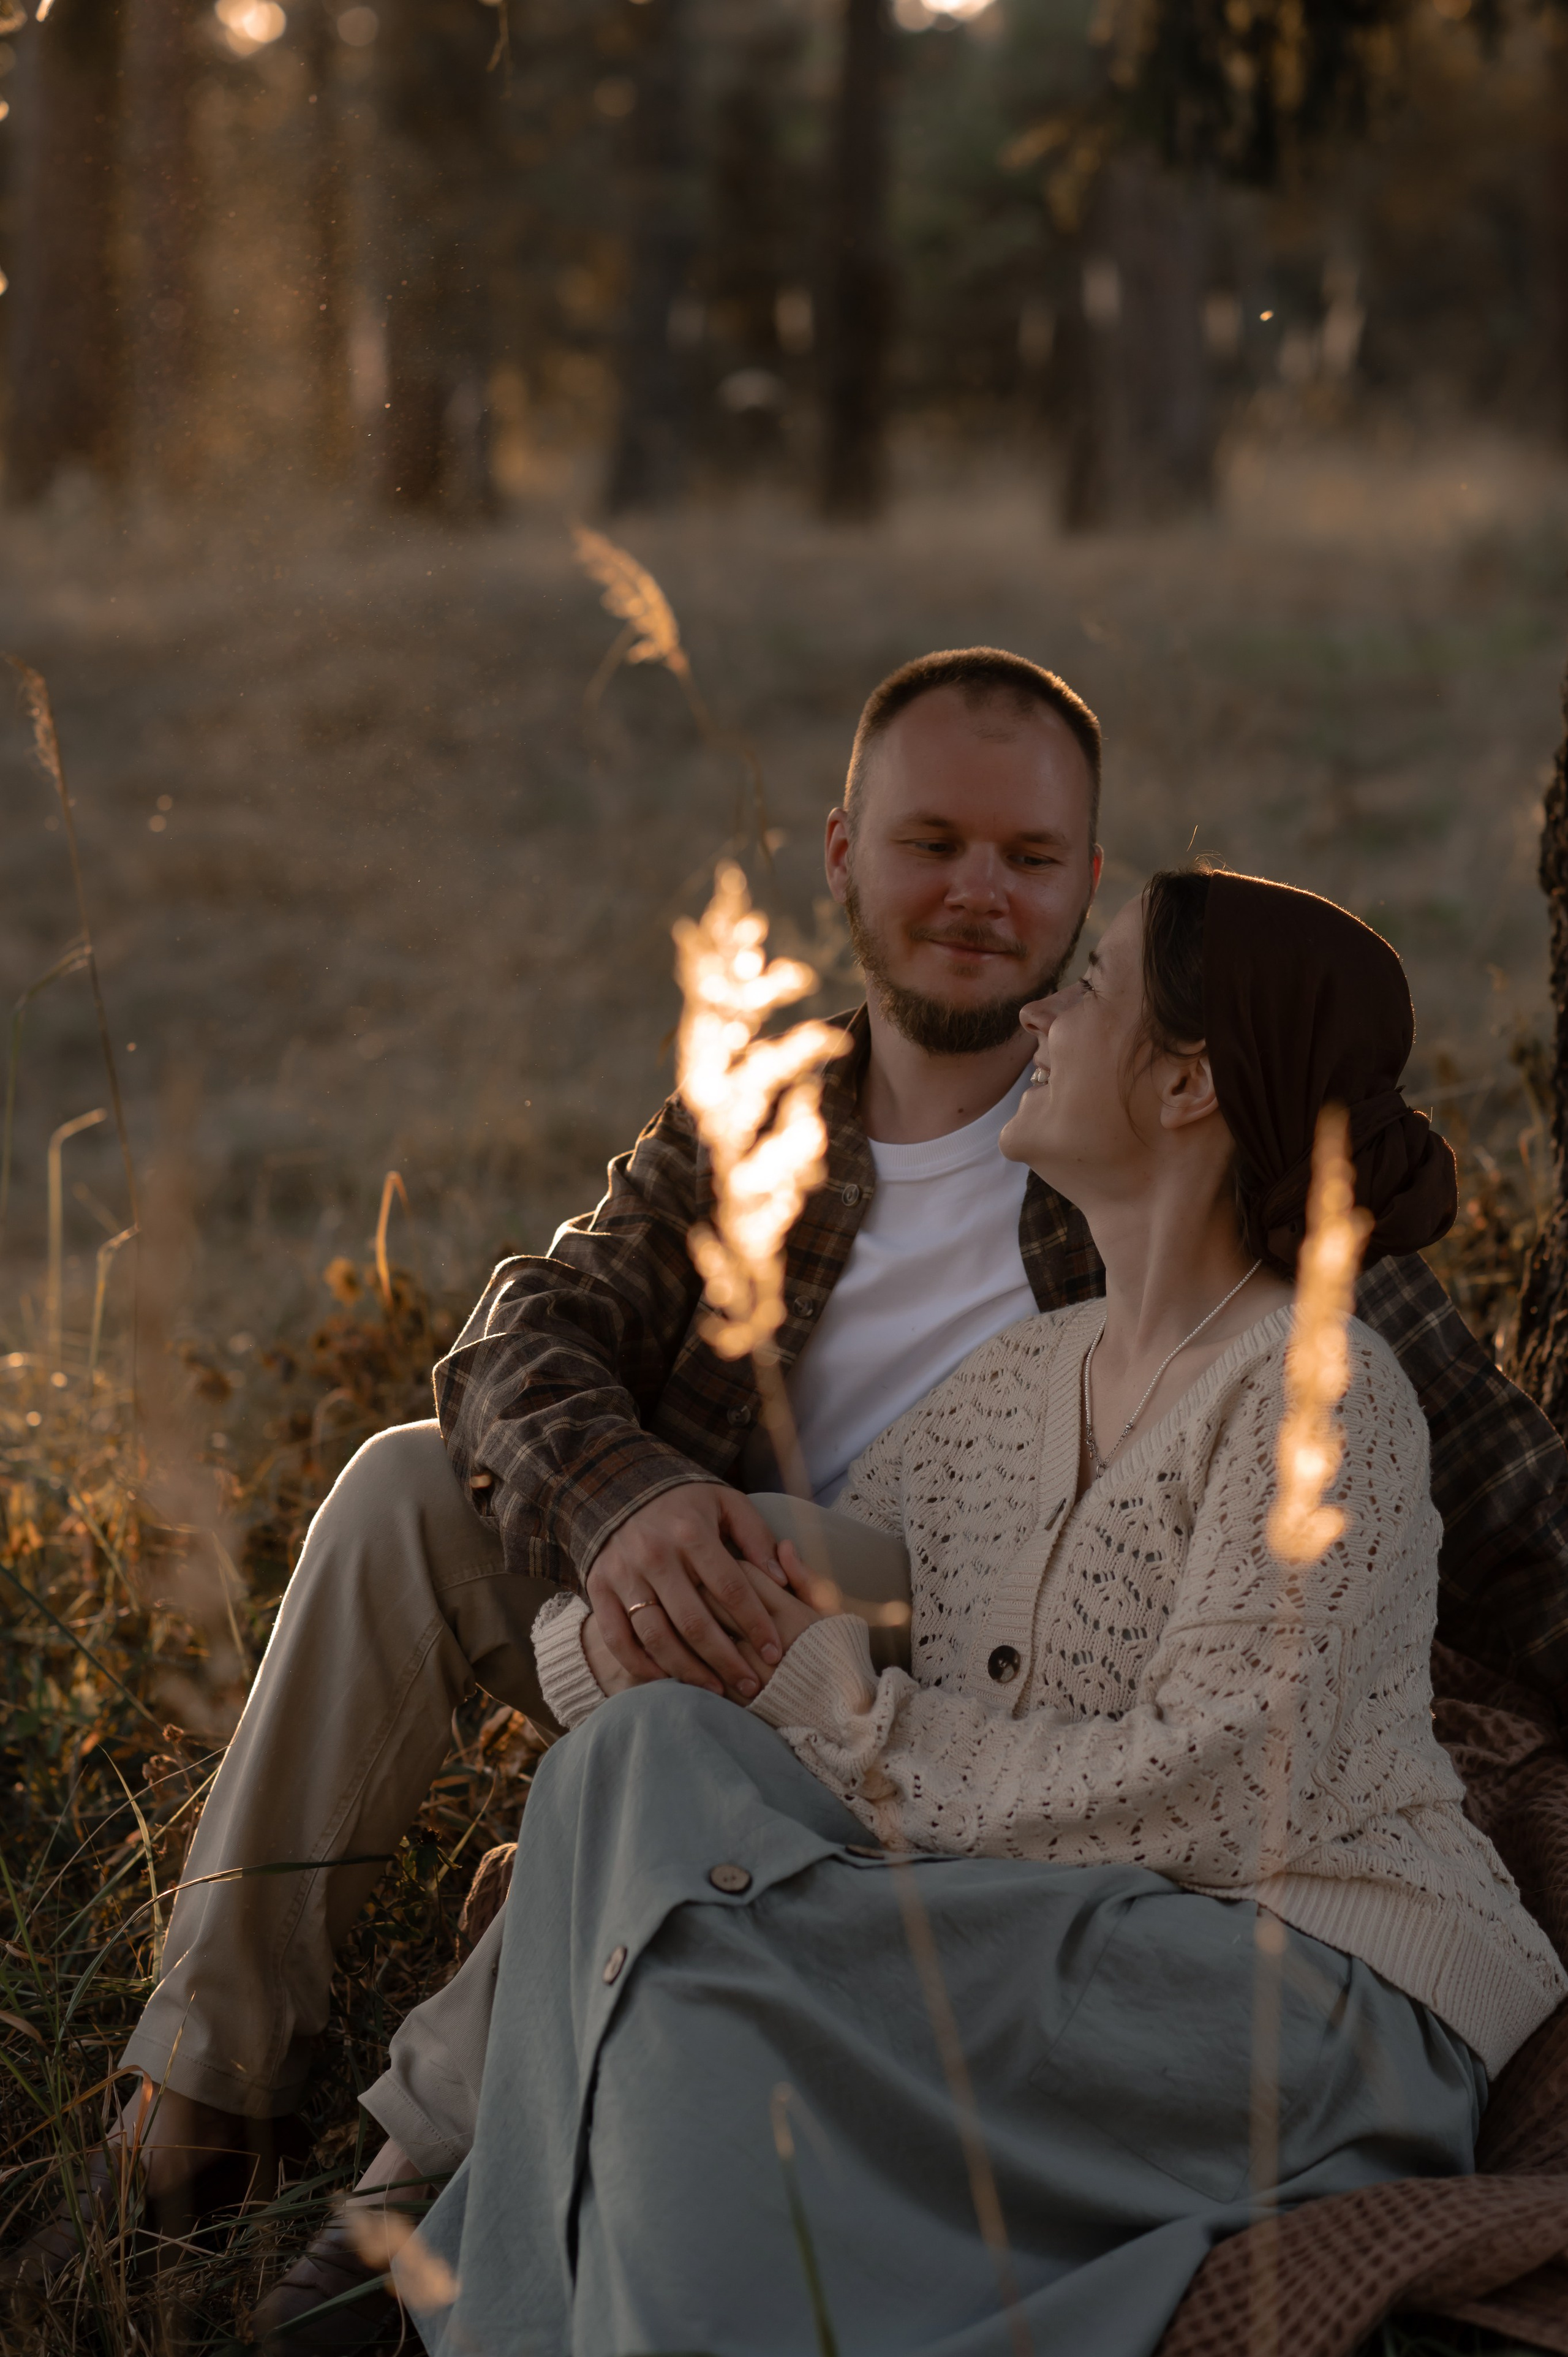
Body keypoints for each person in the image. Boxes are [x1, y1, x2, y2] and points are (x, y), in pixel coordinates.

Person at [6, 651, 1566, 2331]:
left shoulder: (1269, 1249)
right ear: (844, 854)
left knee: (684, 1748)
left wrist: (793, 1687)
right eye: (934, 843)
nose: (984, 896)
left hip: (923, 1701)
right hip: (751, 1623)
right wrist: (627, 1523)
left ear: (1092, 898)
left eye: (1035, 867)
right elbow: (524, 1340)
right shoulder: (770, 1122)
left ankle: (407, 2222)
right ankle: (199, 2105)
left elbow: (1498, 1527)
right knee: (419, 1503)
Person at [404, 870, 1567, 2357]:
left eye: (1088, 984)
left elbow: (1222, 1784)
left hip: (1301, 2003)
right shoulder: (1009, 1393)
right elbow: (785, 1610)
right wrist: (637, 1624)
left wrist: (841, 1715)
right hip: (1068, 1948)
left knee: (690, 1955)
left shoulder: (1318, 1388)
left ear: (1187, 1079)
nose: (1039, 1009)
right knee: (623, 1777)